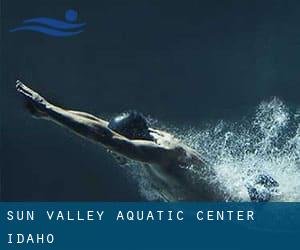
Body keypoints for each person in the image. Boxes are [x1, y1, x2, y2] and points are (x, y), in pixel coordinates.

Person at [15, 80, 278, 201]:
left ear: (132, 140)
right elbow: (99, 125)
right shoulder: (146, 139)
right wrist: (51, 113)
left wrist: (48, 109)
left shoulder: (162, 154)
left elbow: (106, 137)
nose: (110, 151)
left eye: (115, 146)